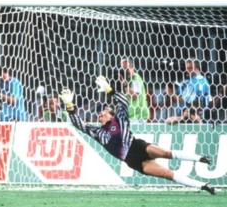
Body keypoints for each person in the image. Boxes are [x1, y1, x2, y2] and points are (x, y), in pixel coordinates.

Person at [59, 75, 215, 195]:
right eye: (99, 115)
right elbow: (79, 124)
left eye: (103, 113)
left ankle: (200, 158)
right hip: (132, 161)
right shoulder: (98, 132)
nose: (100, 115)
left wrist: (110, 90)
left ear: (111, 115)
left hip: (138, 147)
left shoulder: (119, 119)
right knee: (168, 174)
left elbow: (123, 103)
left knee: (166, 153)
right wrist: (70, 106)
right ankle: (203, 186)